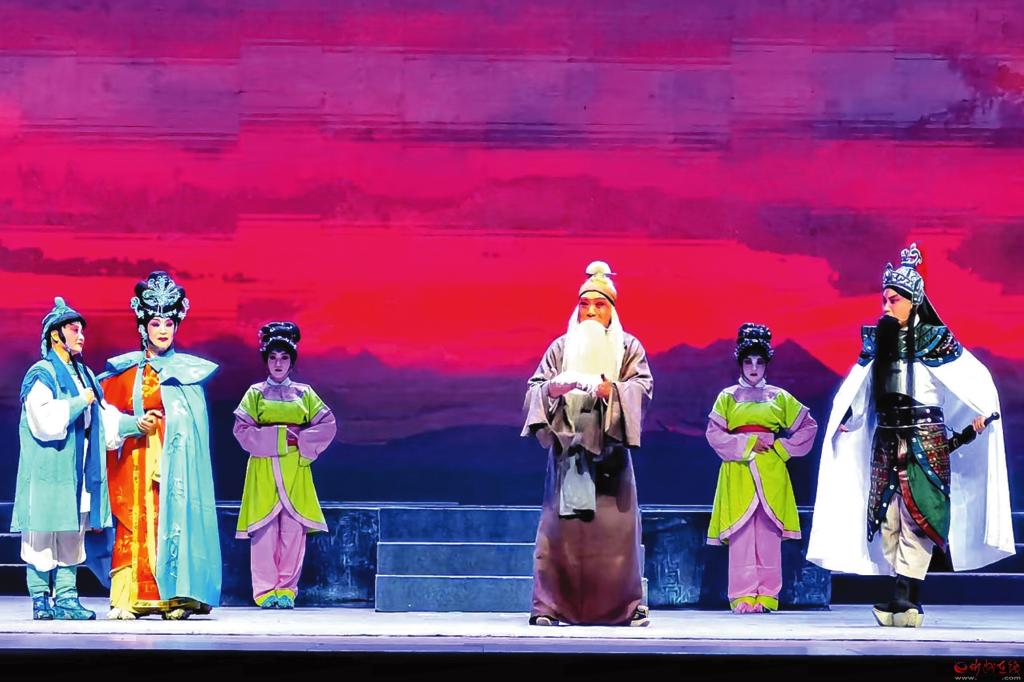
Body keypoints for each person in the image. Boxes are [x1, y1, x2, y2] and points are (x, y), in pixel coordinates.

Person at [808, 244, 1015, 627]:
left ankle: (906, 600)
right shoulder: (880, 340)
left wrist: (981, 411)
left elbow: (971, 378)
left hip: (925, 439)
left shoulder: (936, 340)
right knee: (888, 520)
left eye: (894, 300)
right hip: (886, 439)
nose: (886, 306)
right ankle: (901, 598)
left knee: (917, 518)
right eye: (884, 299)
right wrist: (851, 416)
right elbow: (862, 388)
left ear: (913, 301)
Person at [521, 261, 653, 626]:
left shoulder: (628, 347)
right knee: (559, 535)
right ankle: (549, 607)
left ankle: (625, 608)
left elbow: (642, 388)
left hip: (610, 454)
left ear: (612, 310)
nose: (591, 312)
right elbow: (535, 390)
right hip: (569, 452)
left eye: (600, 305)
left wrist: (612, 391)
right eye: (585, 305)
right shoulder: (561, 348)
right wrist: (553, 389)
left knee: (616, 537)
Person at [12, 297, 152, 620]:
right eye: (74, 330)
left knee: (71, 536)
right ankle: (40, 599)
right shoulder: (41, 374)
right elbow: (44, 421)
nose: (81, 336)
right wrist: (78, 402)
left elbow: (104, 417)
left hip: (76, 474)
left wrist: (135, 424)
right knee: (41, 536)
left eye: (81, 330)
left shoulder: (85, 375)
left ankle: (66, 598)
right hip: (48, 472)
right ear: (55, 335)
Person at [99, 271, 221, 620]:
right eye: (156, 323)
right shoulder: (125, 372)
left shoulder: (189, 375)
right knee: (136, 524)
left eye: (169, 323)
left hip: (175, 467)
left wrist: (169, 431)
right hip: (135, 462)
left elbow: (194, 432)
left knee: (177, 522)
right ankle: (131, 596)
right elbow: (103, 419)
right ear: (144, 327)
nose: (163, 330)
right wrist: (133, 424)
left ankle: (179, 596)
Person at [705, 323, 818, 613]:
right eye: (748, 362)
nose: (754, 368)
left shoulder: (779, 397)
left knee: (768, 535)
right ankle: (741, 595)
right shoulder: (727, 397)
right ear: (740, 364)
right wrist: (746, 444)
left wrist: (781, 448)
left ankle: (768, 595)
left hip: (771, 469)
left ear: (767, 364)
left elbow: (808, 427)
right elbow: (714, 434)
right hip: (738, 469)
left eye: (759, 362)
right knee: (741, 534)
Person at [233, 322, 336, 609]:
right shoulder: (255, 393)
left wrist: (303, 445)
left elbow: (327, 424)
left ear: (292, 361)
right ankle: (265, 590)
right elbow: (241, 430)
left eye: (284, 358)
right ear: (266, 360)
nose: (278, 364)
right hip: (263, 467)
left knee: (293, 530)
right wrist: (279, 437)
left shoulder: (305, 393)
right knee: (264, 530)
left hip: (295, 467)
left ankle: (287, 589)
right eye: (273, 357)